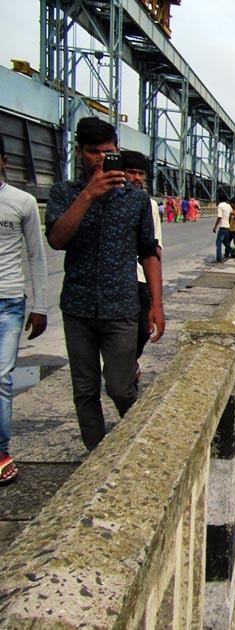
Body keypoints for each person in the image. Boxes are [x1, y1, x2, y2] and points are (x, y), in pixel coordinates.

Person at [46, 117, 164, 451]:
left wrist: (156, 305)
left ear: (117, 151)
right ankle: (97, 456)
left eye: (107, 152)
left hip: (122, 307)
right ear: (80, 151)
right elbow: (57, 238)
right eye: (93, 152)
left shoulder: (137, 201)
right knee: (84, 390)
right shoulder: (64, 193)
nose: (100, 159)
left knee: (120, 387)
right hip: (78, 307)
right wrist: (88, 195)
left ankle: (140, 447)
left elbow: (149, 252)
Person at [0, 135, 48, 484]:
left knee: (1, 379)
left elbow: (36, 254)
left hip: (9, 301)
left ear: (3, 160)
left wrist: (40, 304)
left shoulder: (22, 202)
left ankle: (1, 450)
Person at [121, 150, 163, 382]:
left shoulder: (149, 205)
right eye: (132, 172)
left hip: (141, 278)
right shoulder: (106, 198)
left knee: (143, 329)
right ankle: (124, 370)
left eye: (141, 174)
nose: (137, 178)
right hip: (120, 278)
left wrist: (158, 296)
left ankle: (130, 361)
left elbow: (155, 250)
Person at [212, 194, 234, 262]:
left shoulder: (220, 206)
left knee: (218, 242)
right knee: (225, 242)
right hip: (227, 227)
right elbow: (231, 214)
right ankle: (233, 253)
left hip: (222, 227)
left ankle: (219, 258)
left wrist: (215, 226)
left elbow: (219, 217)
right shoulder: (229, 206)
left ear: (219, 200)